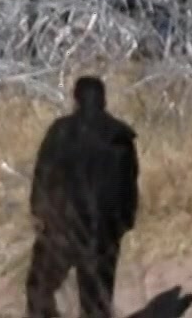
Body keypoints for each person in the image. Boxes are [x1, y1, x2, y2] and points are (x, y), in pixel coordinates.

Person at [25, 75, 140, 318]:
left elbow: (44, 173)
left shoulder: (60, 131)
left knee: (39, 287)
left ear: (76, 100)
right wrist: (124, 223)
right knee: (96, 298)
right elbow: (129, 183)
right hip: (103, 229)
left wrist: (39, 212)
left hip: (62, 226)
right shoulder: (120, 135)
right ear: (104, 100)